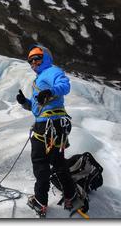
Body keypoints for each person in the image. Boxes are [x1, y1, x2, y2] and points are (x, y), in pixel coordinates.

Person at [16, 44, 77, 217]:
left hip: (46, 126)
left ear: (46, 58)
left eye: (37, 58)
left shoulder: (51, 71)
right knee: (58, 162)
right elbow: (38, 108)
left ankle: (41, 201)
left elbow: (64, 85)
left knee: (40, 163)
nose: (33, 63)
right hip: (55, 125)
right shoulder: (42, 77)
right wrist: (25, 102)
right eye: (30, 61)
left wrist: (50, 91)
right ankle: (70, 195)